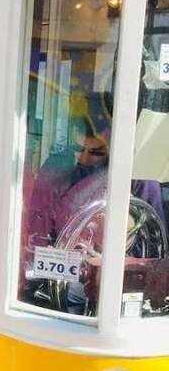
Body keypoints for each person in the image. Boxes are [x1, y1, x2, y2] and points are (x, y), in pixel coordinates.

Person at [26, 118, 166, 314]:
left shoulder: (138, 181)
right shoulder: (56, 170)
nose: (83, 158)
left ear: (112, 151)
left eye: (96, 153)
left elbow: (153, 249)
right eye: (78, 148)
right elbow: (36, 225)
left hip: (113, 282)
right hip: (57, 275)